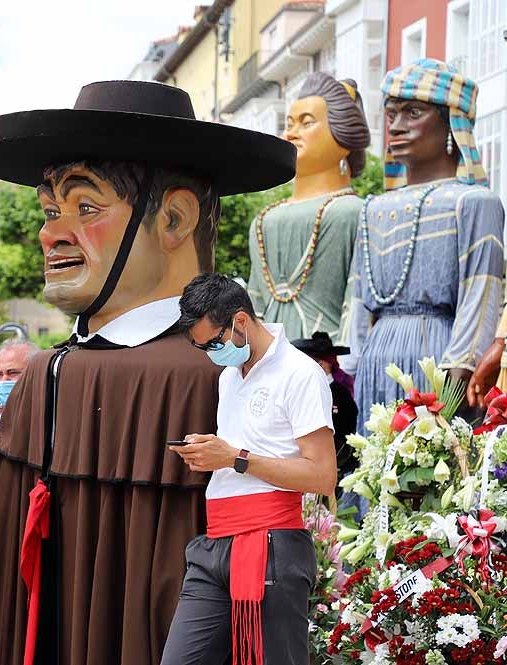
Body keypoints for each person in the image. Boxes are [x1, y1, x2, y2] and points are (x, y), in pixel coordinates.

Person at [0, 80, 294, 665]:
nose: (51, 233)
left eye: (86, 208)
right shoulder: (48, 369)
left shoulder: (224, 370)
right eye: (51, 211)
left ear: (175, 219)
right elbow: (13, 497)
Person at [160, 274, 336, 665]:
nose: (209, 353)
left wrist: (235, 457)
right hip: (216, 539)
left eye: (212, 343)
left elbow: (323, 475)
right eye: (200, 347)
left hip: (272, 541)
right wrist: (213, 454)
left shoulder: (300, 373)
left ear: (240, 321)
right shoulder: (228, 376)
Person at [341, 59, 505, 427]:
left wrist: (455, 376)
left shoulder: (475, 202)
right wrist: (352, 366)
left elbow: (481, 295)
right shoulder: (372, 208)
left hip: (438, 358)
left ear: (451, 121)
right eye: (391, 114)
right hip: (374, 363)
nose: (397, 126)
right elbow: (358, 297)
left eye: (413, 112)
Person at [247, 73, 369, 342]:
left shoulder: (355, 212)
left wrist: (343, 362)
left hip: (327, 354)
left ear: (344, 133)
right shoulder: (263, 219)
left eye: (306, 122)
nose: (291, 133)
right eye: (289, 123)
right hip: (268, 354)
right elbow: (255, 302)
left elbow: (357, 299)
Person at [293, 332, 359, 482]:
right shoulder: (303, 389)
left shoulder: (341, 393)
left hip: (336, 460)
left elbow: (348, 427)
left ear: (322, 364)